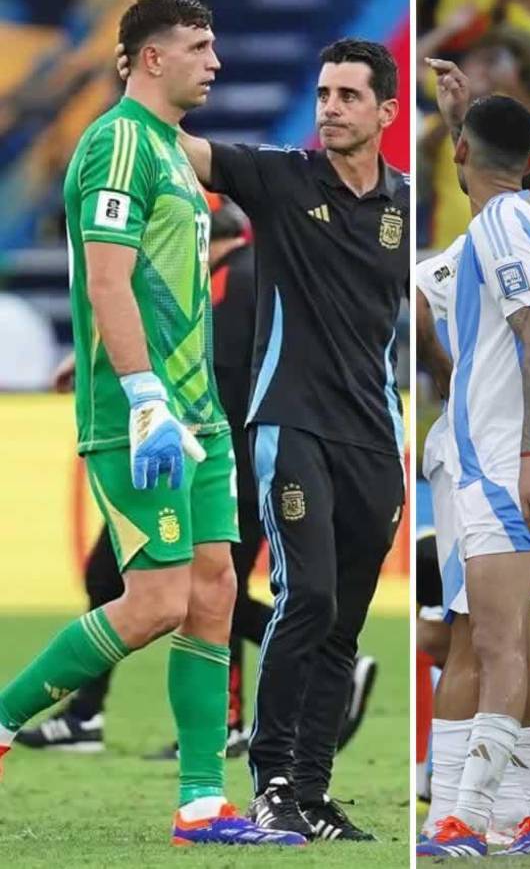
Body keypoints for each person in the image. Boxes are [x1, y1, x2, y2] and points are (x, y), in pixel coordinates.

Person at [0, 0, 302, 847]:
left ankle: (203, 803)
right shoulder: (118, 141)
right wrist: (140, 396)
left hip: (199, 414)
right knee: (158, 601)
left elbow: (158, 284)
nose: (216, 61)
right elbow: (105, 280)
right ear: (149, 58)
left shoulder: (174, 150)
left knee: (212, 593)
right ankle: (4, 718)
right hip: (147, 415)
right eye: (200, 46)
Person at [19, 199, 379, 762]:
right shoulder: (255, 276)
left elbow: (213, 379)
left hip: (218, 459)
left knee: (193, 589)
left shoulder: (230, 283)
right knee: (203, 589)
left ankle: (292, 679)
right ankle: (104, 717)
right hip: (257, 457)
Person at [162, 38, 411, 841]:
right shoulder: (279, 177)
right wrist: (150, 84)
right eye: (324, 93)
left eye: (347, 95)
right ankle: (270, 781)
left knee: (343, 621)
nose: (330, 107)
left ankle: (314, 791)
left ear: (385, 112)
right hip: (291, 422)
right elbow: (180, 143)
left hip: (375, 435)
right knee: (306, 596)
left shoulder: (405, 207)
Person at [415, 115, 530, 854]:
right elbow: (426, 292)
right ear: (528, 163)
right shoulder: (497, 226)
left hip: (506, 462)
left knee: (494, 640)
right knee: (504, 632)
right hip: (497, 456)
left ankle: (468, 815)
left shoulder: (509, 217)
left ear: (460, 155)